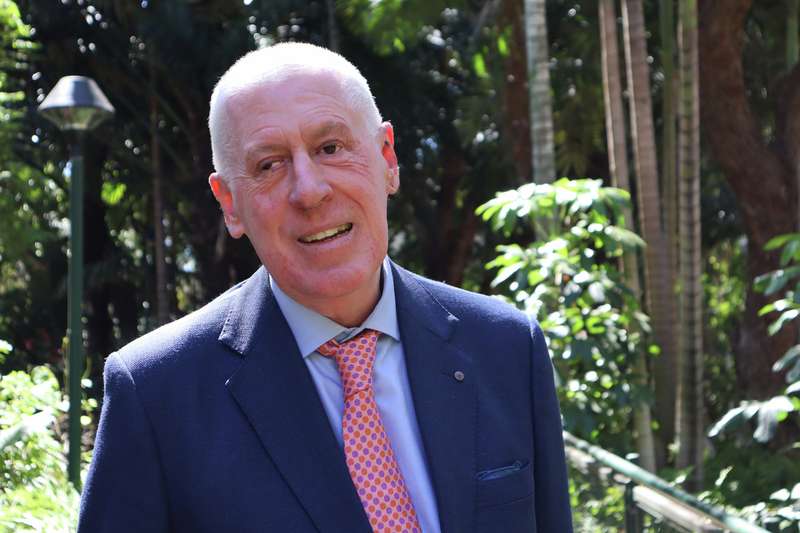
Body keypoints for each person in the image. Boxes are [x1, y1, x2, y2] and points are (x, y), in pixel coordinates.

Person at [77, 42, 573, 533]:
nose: (309, 191)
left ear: (387, 158)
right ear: (229, 203)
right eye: (269, 165)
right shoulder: (156, 395)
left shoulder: (507, 348)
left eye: (330, 148)